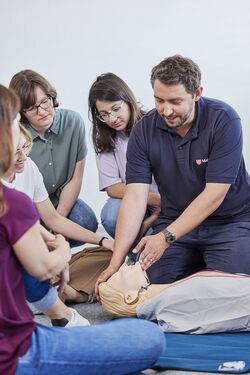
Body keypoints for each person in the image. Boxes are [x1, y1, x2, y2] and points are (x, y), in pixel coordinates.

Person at [0, 84, 165, 375]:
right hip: (15, 353)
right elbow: (42, 266)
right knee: (149, 338)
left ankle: (60, 311)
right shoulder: (11, 203)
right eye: (17, 120)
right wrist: (61, 249)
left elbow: (49, 221)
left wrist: (97, 240)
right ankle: (61, 311)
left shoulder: (19, 194)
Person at [96, 55, 250, 290]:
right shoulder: (143, 130)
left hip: (229, 223)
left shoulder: (224, 120)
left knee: (231, 286)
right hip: (175, 221)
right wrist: (115, 263)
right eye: (159, 100)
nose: (166, 110)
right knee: (146, 284)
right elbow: (135, 197)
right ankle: (199, 271)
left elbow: (214, 195)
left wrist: (165, 237)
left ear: (197, 93)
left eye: (175, 101)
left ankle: (206, 271)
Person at [2, 124, 113, 326]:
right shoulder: (10, 198)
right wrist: (60, 252)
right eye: (14, 152)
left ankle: (64, 295)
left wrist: (103, 240)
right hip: (18, 272)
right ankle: (64, 301)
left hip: (29, 262)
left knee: (108, 255)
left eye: (25, 147)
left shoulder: (28, 169)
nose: (23, 157)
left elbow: (51, 219)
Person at [9, 69, 98, 247]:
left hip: (56, 204)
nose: (42, 111)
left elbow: (75, 178)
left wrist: (58, 222)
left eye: (45, 101)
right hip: (27, 208)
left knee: (85, 220)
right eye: (32, 107)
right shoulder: (16, 137)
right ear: (21, 111)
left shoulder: (73, 122)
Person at [88, 73, 160, 238]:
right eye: (104, 114)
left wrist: (163, 205)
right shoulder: (105, 139)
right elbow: (113, 188)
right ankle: (136, 245)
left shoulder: (154, 125)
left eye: (115, 109)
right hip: (142, 201)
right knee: (111, 214)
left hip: (168, 201)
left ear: (128, 100)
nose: (112, 119)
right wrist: (155, 200)